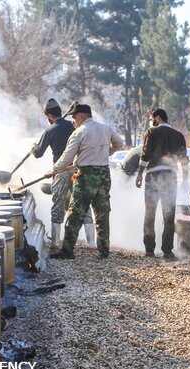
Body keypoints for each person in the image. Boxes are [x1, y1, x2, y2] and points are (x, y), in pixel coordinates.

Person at [48, 103, 123, 259]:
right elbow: (119, 144)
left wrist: (53, 170)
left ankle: (67, 251)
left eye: (74, 117)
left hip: (86, 176)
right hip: (103, 175)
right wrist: (105, 153)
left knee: (75, 213)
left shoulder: (80, 131)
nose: (73, 121)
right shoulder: (105, 128)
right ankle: (103, 251)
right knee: (102, 213)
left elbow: (67, 156)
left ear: (83, 116)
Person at [32, 99, 95, 251]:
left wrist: (33, 147)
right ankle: (92, 243)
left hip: (60, 170)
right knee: (83, 203)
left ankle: (54, 242)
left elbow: (38, 153)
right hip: (77, 168)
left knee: (58, 204)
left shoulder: (50, 130)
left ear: (49, 116)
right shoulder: (74, 126)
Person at [135, 108, 189, 259]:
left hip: (153, 176)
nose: (152, 121)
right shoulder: (178, 135)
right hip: (170, 177)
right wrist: (185, 178)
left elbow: (145, 154)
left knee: (150, 212)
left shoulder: (152, 132)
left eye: (152, 118)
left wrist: (139, 174)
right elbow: (183, 160)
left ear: (157, 118)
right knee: (169, 214)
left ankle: (149, 249)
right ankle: (167, 251)